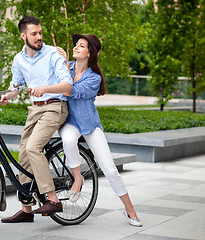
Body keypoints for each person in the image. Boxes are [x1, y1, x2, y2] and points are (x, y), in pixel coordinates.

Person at [56, 33, 142, 227]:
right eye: (76, 45)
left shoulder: (93, 78)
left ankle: (130, 210)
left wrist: (63, 64)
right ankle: (77, 178)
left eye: (81, 46)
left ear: (89, 53)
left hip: (90, 124)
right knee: (68, 140)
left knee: (110, 170)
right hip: (69, 122)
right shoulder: (66, 67)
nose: (76, 48)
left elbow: (71, 91)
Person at [0, 16, 73, 223]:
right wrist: (7, 96)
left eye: (40, 33)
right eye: (34, 34)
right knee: (24, 154)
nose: (39, 37)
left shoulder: (53, 54)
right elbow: (16, 86)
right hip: (35, 110)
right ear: (23, 36)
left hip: (55, 107)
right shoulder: (19, 59)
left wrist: (45, 89)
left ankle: (53, 199)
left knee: (33, 148)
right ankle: (26, 209)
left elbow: (67, 85)